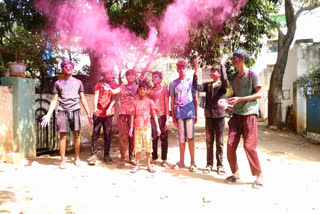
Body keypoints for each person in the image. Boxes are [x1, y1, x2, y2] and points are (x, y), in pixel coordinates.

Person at [41, 60, 92, 169]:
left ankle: (77, 158)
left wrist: (88, 114)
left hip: (75, 110)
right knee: (62, 135)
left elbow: (82, 98)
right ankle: (63, 160)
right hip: (62, 111)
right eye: (65, 67)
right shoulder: (58, 83)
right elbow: (55, 100)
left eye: (70, 67)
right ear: (63, 69)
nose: (68, 68)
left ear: (72, 69)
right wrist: (49, 114)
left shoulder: (78, 82)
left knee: (77, 135)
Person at [225, 49, 263, 189]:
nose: (233, 60)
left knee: (249, 146)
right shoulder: (234, 76)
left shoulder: (252, 74)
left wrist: (240, 99)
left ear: (241, 59)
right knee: (230, 145)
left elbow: (259, 94)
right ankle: (236, 173)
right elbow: (233, 94)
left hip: (249, 114)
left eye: (234, 58)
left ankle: (259, 175)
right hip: (236, 115)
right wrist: (228, 102)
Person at [192, 57, 229, 175]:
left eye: (214, 71)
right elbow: (196, 86)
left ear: (219, 73)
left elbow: (225, 80)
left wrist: (222, 65)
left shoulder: (222, 86)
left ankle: (220, 165)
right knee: (209, 141)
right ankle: (209, 164)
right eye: (211, 71)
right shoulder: (207, 85)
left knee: (219, 142)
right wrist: (196, 70)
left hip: (219, 117)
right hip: (209, 117)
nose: (212, 73)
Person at [169, 59, 198, 172]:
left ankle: (193, 162)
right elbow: (172, 101)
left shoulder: (191, 82)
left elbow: (195, 98)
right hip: (179, 113)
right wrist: (173, 116)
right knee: (181, 138)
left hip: (189, 112)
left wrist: (196, 114)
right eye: (179, 68)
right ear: (177, 69)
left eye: (184, 67)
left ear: (187, 68)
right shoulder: (173, 84)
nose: (181, 70)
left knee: (190, 137)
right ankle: (181, 162)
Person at [106, 69, 138, 168]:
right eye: (128, 75)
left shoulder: (138, 87)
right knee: (123, 137)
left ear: (135, 76)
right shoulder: (122, 87)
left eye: (132, 75)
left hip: (135, 115)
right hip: (123, 115)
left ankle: (132, 157)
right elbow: (114, 92)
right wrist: (109, 88)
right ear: (126, 77)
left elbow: (146, 94)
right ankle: (122, 158)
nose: (130, 77)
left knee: (133, 137)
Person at [129, 81, 161, 173]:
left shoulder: (150, 102)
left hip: (147, 127)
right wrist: (131, 128)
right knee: (138, 147)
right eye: (140, 89)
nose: (142, 91)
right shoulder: (135, 102)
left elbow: (154, 114)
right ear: (138, 90)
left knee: (148, 147)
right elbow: (132, 115)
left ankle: (148, 165)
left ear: (147, 91)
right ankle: (137, 165)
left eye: (144, 89)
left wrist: (158, 127)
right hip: (137, 127)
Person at [88, 70, 118, 166]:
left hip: (109, 113)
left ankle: (106, 155)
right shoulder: (99, 85)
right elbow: (96, 96)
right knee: (95, 133)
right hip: (98, 113)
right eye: (106, 73)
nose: (108, 75)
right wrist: (95, 108)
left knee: (107, 134)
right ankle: (93, 155)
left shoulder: (114, 85)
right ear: (103, 75)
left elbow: (114, 98)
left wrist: (109, 108)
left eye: (110, 73)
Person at [149, 71, 170, 168]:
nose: (154, 78)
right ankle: (154, 157)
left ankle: (164, 159)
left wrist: (167, 119)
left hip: (162, 116)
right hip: (153, 117)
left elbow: (166, 104)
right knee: (154, 137)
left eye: (156, 77)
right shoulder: (150, 91)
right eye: (153, 77)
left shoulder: (164, 90)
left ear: (161, 79)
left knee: (164, 138)